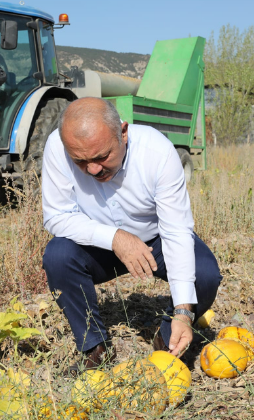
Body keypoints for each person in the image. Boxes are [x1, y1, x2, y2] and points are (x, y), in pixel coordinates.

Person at [40, 97, 222, 375]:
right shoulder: (58, 147)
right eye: (81, 161)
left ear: (123, 132)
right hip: (98, 244)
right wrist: (115, 238)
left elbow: (175, 231)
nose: (93, 170)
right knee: (58, 255)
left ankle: (168, 337)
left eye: (102, 157)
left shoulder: (157, 152)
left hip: (155, 240)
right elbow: (57, 216)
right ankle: (95, 348)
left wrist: (185, 313)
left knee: (205, 274)